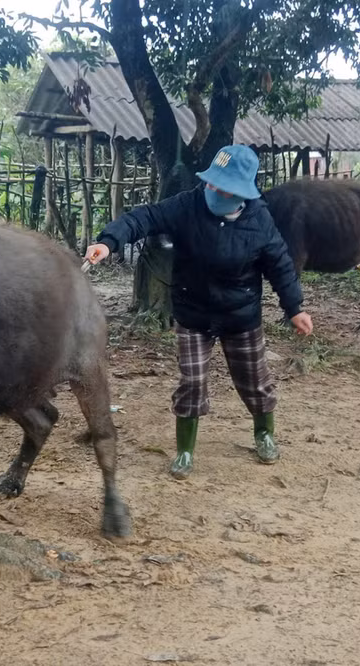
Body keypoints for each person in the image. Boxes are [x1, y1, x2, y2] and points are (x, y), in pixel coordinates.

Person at [85, 144, 313, 480]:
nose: (214, 190)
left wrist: (294, 308)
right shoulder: (188, 205)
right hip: (194, 314)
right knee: (192, 381)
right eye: (212, 182)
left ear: (242, 193)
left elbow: (280, 264)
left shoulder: (259, 220)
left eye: (224, 187)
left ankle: (264, 433)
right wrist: (110, 240)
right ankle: (185, 450)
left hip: (240, 315)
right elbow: (145, 217)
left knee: (255, 380)